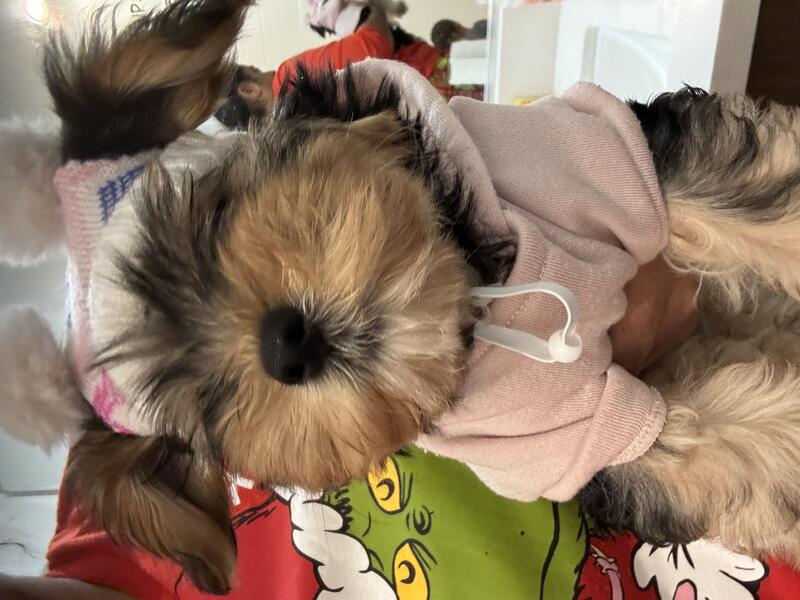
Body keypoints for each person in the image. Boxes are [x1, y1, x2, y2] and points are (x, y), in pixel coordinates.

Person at [214, 6, 483, 129]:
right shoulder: (288, 79)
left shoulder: (292, 136)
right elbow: (374, 46)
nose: (266, 70)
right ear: (249, 90)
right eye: (255, 70)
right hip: (439, 79)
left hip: (437, 123)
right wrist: (367, 10)